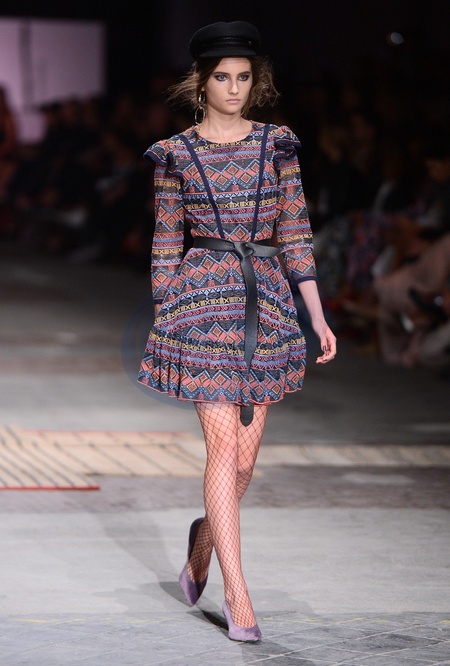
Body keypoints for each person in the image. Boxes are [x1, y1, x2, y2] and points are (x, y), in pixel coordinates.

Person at [137, 21, 336, 642]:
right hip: (200, 305)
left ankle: (204, 542)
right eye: (222, 77)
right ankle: (237, 592)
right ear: (201, 83)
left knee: (245, 460)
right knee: (223, 452)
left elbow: (296, 232)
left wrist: (317, 313)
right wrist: (166, 312)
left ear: (257, 81)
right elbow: (166, 240)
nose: (233, 88)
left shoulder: (277, 145)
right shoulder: (175, 154)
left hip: (266, 302)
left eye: (244, 77)